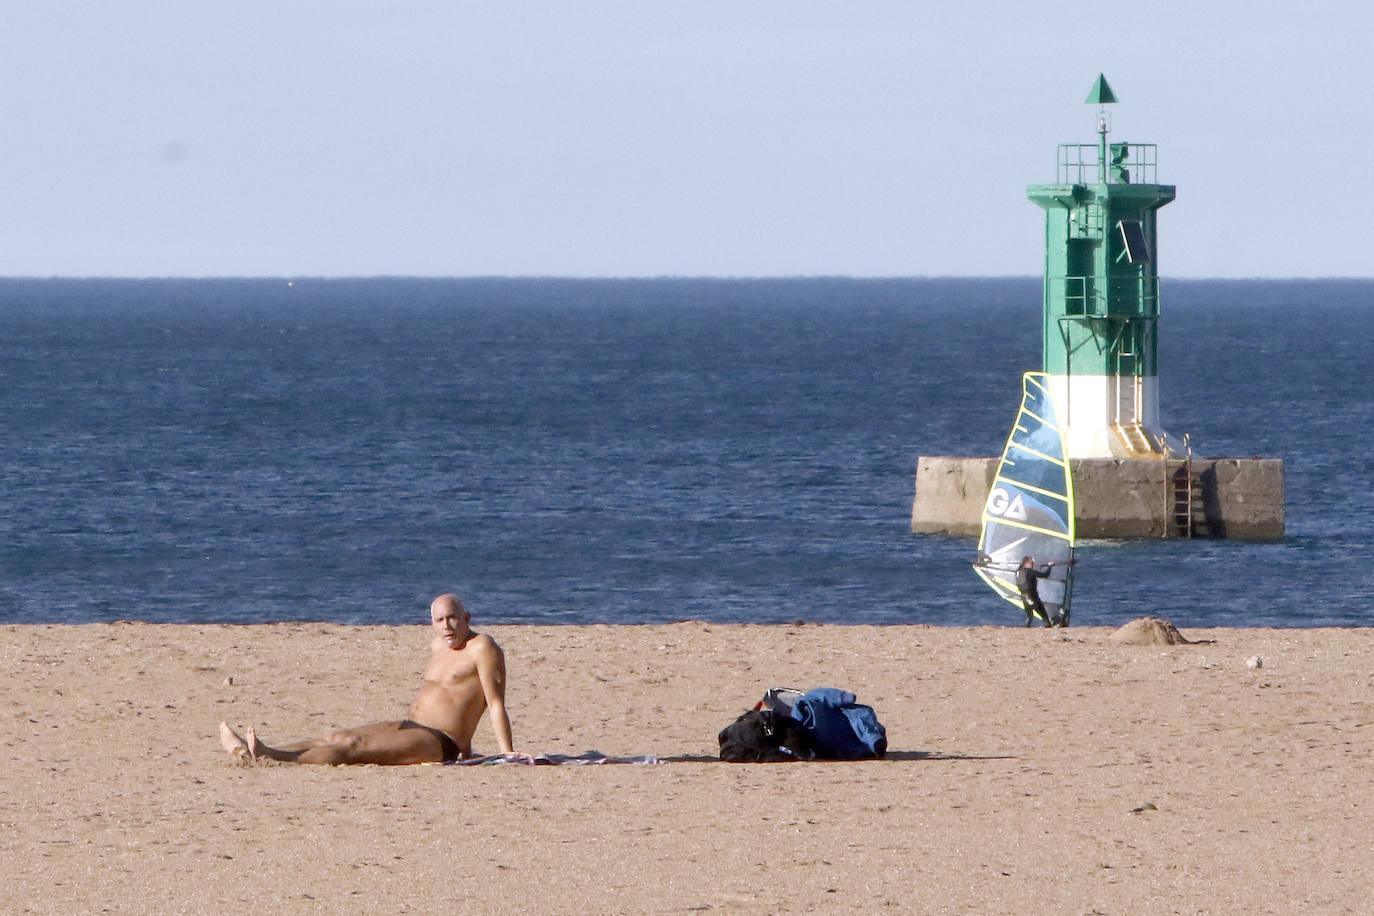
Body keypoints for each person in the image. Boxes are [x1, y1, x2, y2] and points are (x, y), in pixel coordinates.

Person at [219, 593, 514, 765]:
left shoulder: (482, 647)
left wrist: (508, 753)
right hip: (411, 725)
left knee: (355, 748)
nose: (446, 626)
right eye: (439, 620)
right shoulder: (438, 645)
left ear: (467, 618)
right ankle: (264, 750)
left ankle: (274, 758)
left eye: (452, 618)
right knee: (336, 736)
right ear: (432, 624)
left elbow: (494, 703)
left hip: (441, 742)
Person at [1015, 556, 1059, 628]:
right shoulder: (1030, 571)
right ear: (1027, 563)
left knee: (1030, 616)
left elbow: (1022, 568)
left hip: (1024, 597)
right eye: (1032, 563)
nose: (1033, 565)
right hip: (1032, 597)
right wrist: (1050, 566)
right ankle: (1048, 627)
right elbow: (1045, 575)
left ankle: (1026, 627)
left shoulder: (1017, 571)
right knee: (1044, 616)